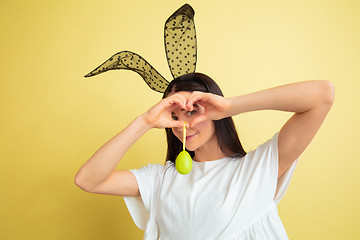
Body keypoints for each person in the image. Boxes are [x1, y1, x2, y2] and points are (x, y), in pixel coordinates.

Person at [75, 72, 334, 239]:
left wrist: (230, 106)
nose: (181, 125)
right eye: (174, 117)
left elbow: (322, 95)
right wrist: (144, 121)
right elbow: (88, 180)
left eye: (192, 112)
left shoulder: (256, 169)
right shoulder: (159, 180)